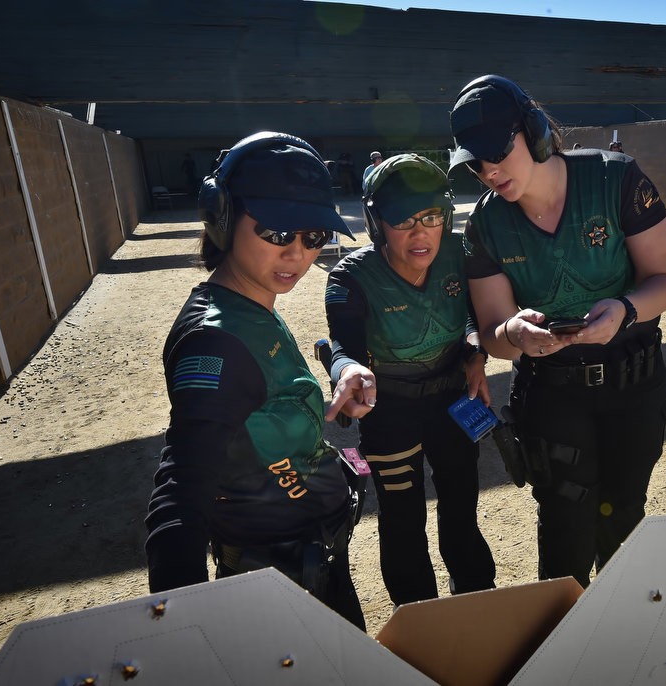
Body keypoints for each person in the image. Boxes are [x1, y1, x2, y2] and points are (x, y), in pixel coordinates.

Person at [448, 75, 666, 587]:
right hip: (552, 393)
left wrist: (624, 309)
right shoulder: (486, 225)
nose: (488, 171)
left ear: (532, 132)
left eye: (496, 152)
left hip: (634, 384)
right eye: (474, 161)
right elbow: (491, 330)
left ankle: (624, 631)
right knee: (564, 523)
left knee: (622, 515)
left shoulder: (615, 179)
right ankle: (563, 642)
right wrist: (515, 333)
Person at [145, 131, 366, 630]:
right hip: (277, 586)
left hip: (307, 563)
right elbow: (180, 494)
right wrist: (177, 630)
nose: (298, 254)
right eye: (276, 232)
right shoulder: (215, 341)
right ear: (222, 217)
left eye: (313, 236)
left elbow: (254, 412)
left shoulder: (250, 306)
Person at [323, 153, 496, 606]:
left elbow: (480, 316)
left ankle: (477, 595)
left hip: (452, 400)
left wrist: (476, 353)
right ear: (377, 222)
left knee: (461, 503)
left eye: (432, 216)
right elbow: (344, 348)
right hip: (391, 411)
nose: (420, 232)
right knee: (402, 517)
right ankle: (417, 610)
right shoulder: (351, 277)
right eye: (402, 220)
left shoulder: (461, 255)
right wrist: (349, 371)